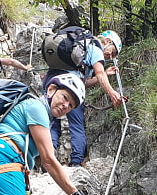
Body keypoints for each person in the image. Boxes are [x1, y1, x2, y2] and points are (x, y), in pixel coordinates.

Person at [42, 30, 125, 167]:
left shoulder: (80, 48)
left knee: (50, 121)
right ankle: (76, 162)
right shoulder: (96, 47)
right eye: (113, 51)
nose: (111, 56)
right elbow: (98, 73)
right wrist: (112, 93)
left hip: (52, 80)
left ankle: (47, 159)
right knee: (76, 125)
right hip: (71, 87)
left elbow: (85, 83)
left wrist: (104, 74)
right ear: (108, 42)